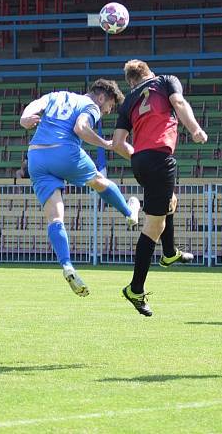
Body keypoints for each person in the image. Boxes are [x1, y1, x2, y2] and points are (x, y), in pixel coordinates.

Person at [20, 79, 140, 296]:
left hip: (36, 156)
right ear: (102, 96)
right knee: (99, 181)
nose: (106, 111)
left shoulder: (57, 94)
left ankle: (67, 266)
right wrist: (105, 144)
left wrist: (24, 119)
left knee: (55, 218)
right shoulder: (91, 105)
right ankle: (129, 213)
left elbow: (34, 105)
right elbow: (81, 128)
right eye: (109, 107)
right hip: (64, 150)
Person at [112, 59, 207, 316]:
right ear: (148, 72)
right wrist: (195, 128)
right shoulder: (165, 80)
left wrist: (138, 157)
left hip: (140, 160)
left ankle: (169, 252)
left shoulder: (129, 100)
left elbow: (118, 143)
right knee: (154, 226)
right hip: (159, 157)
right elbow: (178, 103)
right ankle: (135, 288)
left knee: (170, 201)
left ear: (131, 81)